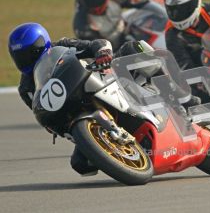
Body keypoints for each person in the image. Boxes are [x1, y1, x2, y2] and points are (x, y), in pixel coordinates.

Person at [8, 22, 147, 176]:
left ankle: (172, 88)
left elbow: (97, 44)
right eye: (20, 56)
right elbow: (40, 112)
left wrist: (102, 53)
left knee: (134, 48)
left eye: (30, 53)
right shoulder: (26, 88)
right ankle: (123, 154)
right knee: (81, 164)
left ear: (42, 43)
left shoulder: (63, 45)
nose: (26, 59)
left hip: (104, 79)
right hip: (77, 110)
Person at [73, 0, 149, 51]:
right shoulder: (82, 25)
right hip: (113, 53)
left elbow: (145, 1)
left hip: (128, 34)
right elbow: (99, 48)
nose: (95, 2)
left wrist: (160, 4)